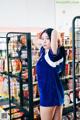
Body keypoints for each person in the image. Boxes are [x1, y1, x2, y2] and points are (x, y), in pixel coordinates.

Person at [35, 28, 66, 120]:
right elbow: (34, 41)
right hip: (56, 92)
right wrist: (43, 39)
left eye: (47, 38)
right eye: (43, 39)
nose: (44, 41)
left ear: (54, 40)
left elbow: (54, 32)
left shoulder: (54, 54)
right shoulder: (44, 53)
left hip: (48, 94)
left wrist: (54, 32)